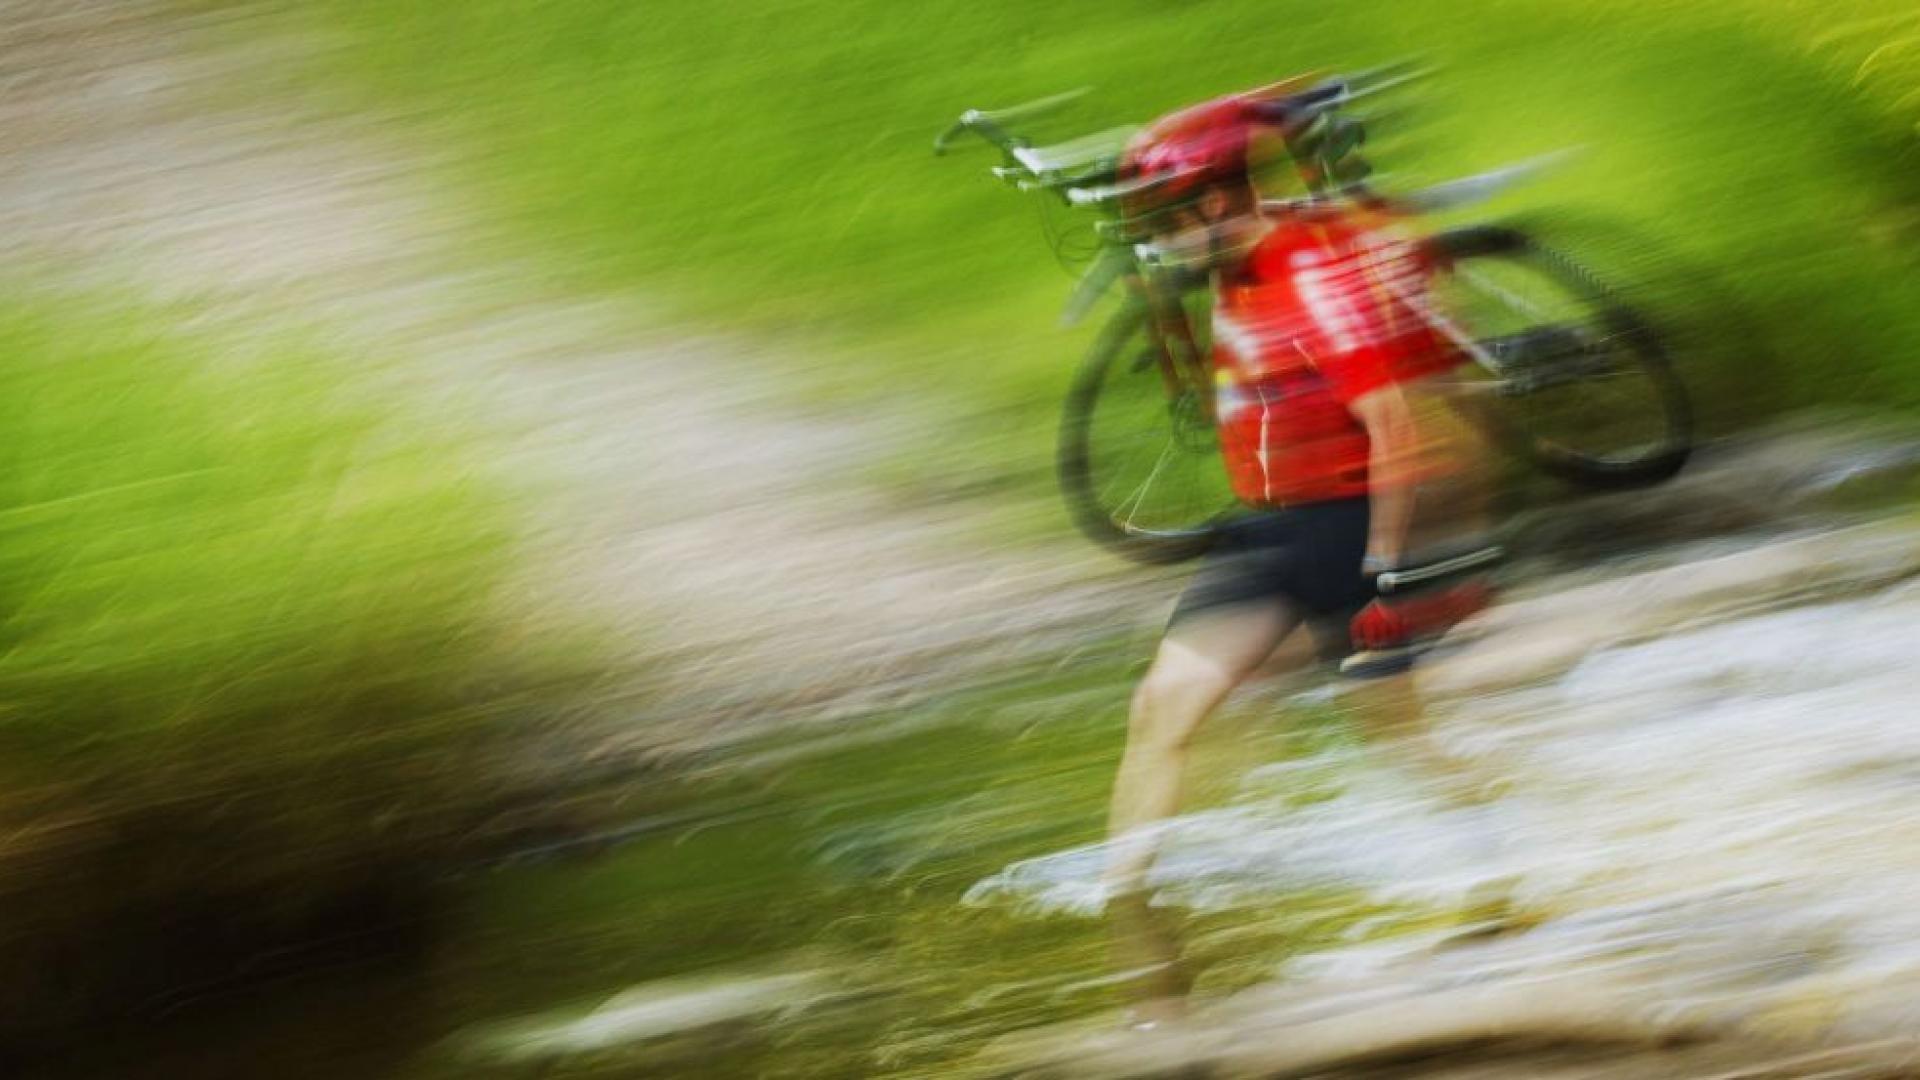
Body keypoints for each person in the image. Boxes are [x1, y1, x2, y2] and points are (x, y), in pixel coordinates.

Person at [1100, 85, 1502, 1013]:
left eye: (1166, 221)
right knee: (1161, 708)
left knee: (1397, 739)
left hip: (1346, 527)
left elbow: (1393, 424)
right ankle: (1127, 910)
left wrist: (1384, 572)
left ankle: (1499, 872)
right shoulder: (1228, 251)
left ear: (1211, 208)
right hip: (1266, 524)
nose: (1156, 241)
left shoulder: (1310, 276)